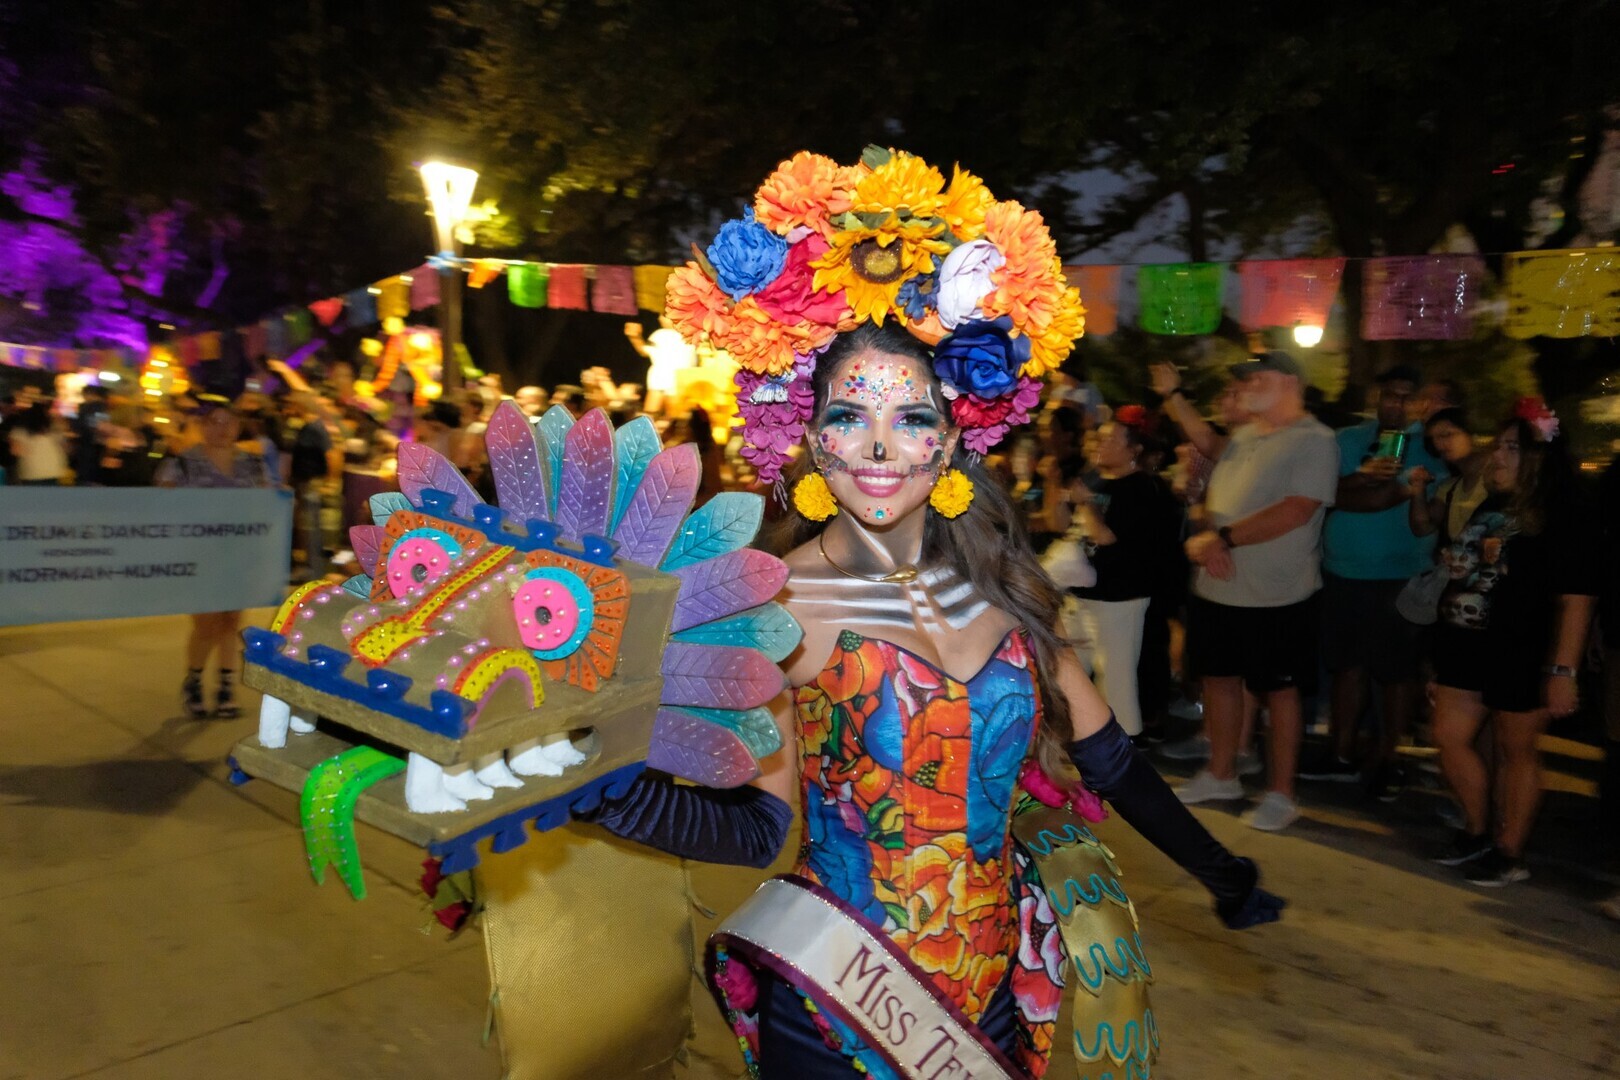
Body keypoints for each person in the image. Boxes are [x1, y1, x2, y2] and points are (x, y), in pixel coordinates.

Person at [577, 149, 1281, 1078]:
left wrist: (1224, 872)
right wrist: (586, 782)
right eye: (848, 416)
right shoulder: (773, 603)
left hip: (993, 1004)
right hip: (833, 1010)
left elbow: (1113, 763)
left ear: (950, 442)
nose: (879, 448)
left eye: (910, 419)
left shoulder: (1004, 590)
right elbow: (754, 828)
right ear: (810, 436)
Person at [1156, 351, 1338, 831]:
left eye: (1259, 378)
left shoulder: (1315, 440)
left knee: (1280, 693)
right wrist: (1174, 396)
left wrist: (1224, 539)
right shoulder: (1247, 435)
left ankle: (1282, 794)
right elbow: (1209, 446)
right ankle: (1221, 775)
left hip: (1278, 595)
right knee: (1218, 679)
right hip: (1220, 585)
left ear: (1290, 382)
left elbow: (1296, 510)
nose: (1249, 385)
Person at [1428, 400, 1597, 886]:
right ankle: (1478, 829)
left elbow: (1577, 600)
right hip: (1467, 642)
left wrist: (1563, 672)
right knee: (1448, 736)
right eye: (1497, 445)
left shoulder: (1565, 514)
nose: (1497, 456)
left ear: (1540, 458)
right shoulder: (1494, 503)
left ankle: (1509, 850)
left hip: (1524, 646)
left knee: (1516, 749)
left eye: (1511, 448)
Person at [1305, 366, 1445, 799]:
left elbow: (1380, 500)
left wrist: (1359, 489)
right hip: (1343, 572)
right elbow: (1320, 493)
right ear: (1376, 397)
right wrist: (1365, 477)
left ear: (1421, 402)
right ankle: (1341, 752)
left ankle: (1390, 759)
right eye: (1389, 395)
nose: (1396, 404)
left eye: (1406, 396)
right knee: (1347, 666)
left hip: (1401, 576)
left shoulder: (1433, 446)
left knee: (1397, 673)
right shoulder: (1347, 439)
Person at [155, 400, 274, 718]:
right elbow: (161, 502)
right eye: (215, 421)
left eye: (229, 422)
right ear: (203, 426)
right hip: (199, 555)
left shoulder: (252, 463)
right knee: (206, 622)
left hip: (239, 554)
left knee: (231, 621)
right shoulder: (184, 462)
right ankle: (194, 679)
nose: (222, 429)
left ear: (238, 426)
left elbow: (266, 502)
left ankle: (226, 686)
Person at [1070, 409, 1179, 737]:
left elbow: (1106, 537)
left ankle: (1124, 744)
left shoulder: (1143, 488)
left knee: (1116, 680)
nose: (1099, 443)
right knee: (1073, 673)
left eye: (1110, 439)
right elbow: (1066, 527)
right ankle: (1083, 739)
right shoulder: (1098, 481)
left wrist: (1086, 504)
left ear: (1134, 449)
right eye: (1099, 437)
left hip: (1120, 596)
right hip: (1084, 594)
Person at [8, 400, 71, 484]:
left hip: (32, 472)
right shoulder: (53, 428)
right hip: (53, 470)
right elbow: (66, 447)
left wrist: (31, 452)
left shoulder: (20, 430)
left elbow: (15, 451)